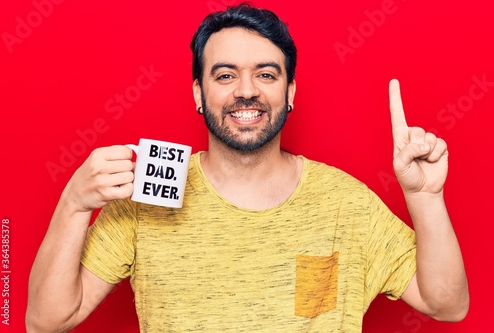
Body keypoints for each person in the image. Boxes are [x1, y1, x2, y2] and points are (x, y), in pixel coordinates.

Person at [26, 3, 469, 332]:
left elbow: (447, 304)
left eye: (266, 74)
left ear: (290, 91)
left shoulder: (346, 203)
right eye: (224, 75)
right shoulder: (145, 202)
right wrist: (73, 204)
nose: (246, 91)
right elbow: (46, 321)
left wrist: (425, 197)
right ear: (198, 94)